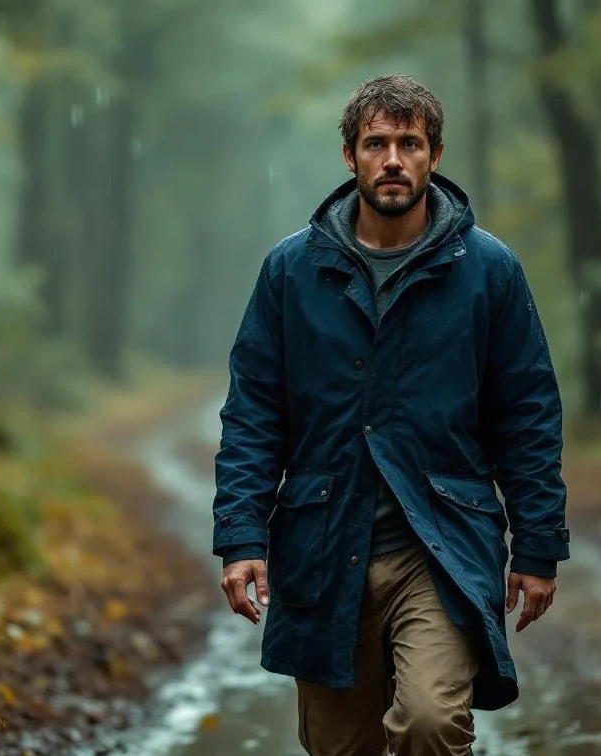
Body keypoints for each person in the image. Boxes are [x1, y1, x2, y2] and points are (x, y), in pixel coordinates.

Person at [212, 74, 570, 755]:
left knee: (432, 722)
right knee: (341, 746)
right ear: (350, 156)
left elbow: (526, 414)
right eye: (376, 143)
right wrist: (241, 536)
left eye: (410, 143)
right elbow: (254, 413)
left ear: (435, 154)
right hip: (321, 547)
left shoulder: (488, 271)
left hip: (441, 547)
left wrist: (539, 543)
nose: (394, 160)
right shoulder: (292, 271)